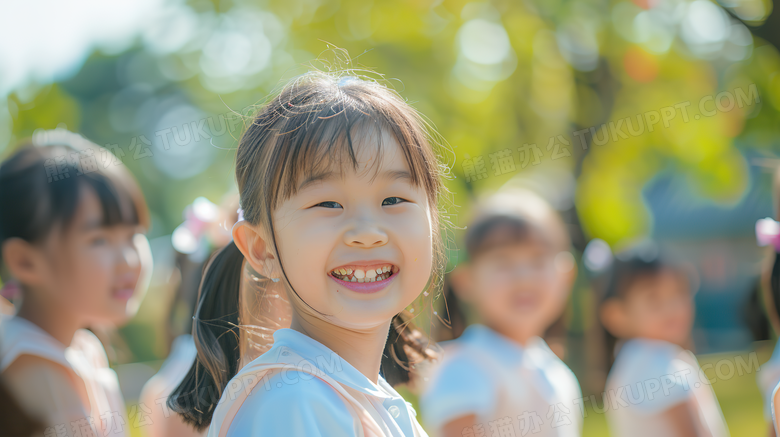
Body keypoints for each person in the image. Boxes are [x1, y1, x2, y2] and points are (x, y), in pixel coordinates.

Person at [168, 71, 449, 436]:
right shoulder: (294, 403)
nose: (367, 233)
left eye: (393, 199)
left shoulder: (355, 396)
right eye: (328, 203)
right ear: (261, 248)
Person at [0, 129, 152, 437]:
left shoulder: (82, 347)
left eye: (133, 235)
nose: (129, 259)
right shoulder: (34, 364)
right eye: (99, 240)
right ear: (25, 261)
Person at [420, 189, 581, 437]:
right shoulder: (464, 367)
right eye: (503, 263)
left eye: (538, 261)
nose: (524, 278)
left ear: (566, 275)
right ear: (467, 281)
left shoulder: (558, 373)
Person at [593, 240, 729, 437]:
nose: (672, 307)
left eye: (678, 293)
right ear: (617, 315)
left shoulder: (635, 359)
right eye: (654, 299)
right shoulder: (656, 363)